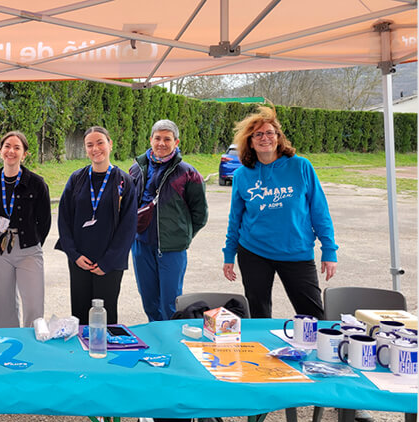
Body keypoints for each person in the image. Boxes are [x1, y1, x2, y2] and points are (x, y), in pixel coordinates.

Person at [222, 105, 338, 320]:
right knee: (258, 316)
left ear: (278, 137)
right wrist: (229, 254)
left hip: (296, 251)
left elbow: (319, 211)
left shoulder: (301, 166)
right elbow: (235, 219)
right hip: (253, 252)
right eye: (257, 134)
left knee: (314, 316)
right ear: (249, 141)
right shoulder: (242, 175)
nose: (264, 138)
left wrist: (329, 250)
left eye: (269, 132)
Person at [55, 126, 136, 326]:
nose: (95, 148)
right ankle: (82, 356)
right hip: (80, 260)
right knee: (81, 314)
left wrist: (108, 261)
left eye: (100, 142)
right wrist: (74, 255)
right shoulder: (76, 179)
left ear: (110, 144)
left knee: (106, 317)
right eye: (90, 145)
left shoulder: (124, 181)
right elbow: (63, 219)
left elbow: (128, 226)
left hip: (109, 263)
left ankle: (106, 352)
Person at [129, 120, 207, 322]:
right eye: (157, 138)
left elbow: (200, 214)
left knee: (170, 303)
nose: (161, 143)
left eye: (167, 139)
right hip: (140, 245)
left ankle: (171, 343)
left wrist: (181, 235)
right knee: (148, 299)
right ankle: (155, 340)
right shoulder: (136, 169)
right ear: (150, 139)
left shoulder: (188, 173)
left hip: (172, 249)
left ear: (176, 141)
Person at [0, 131, 51, 327]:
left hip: (29, 249)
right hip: (0, 249)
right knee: (3, 306)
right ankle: (7, 346)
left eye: (17, 147)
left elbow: (44, 221)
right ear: (0, 150)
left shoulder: (37, 183)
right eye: (7, 146)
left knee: (34, 307)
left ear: (25, 154)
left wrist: (32, 242)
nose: (11, 151)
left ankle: (32, 348)